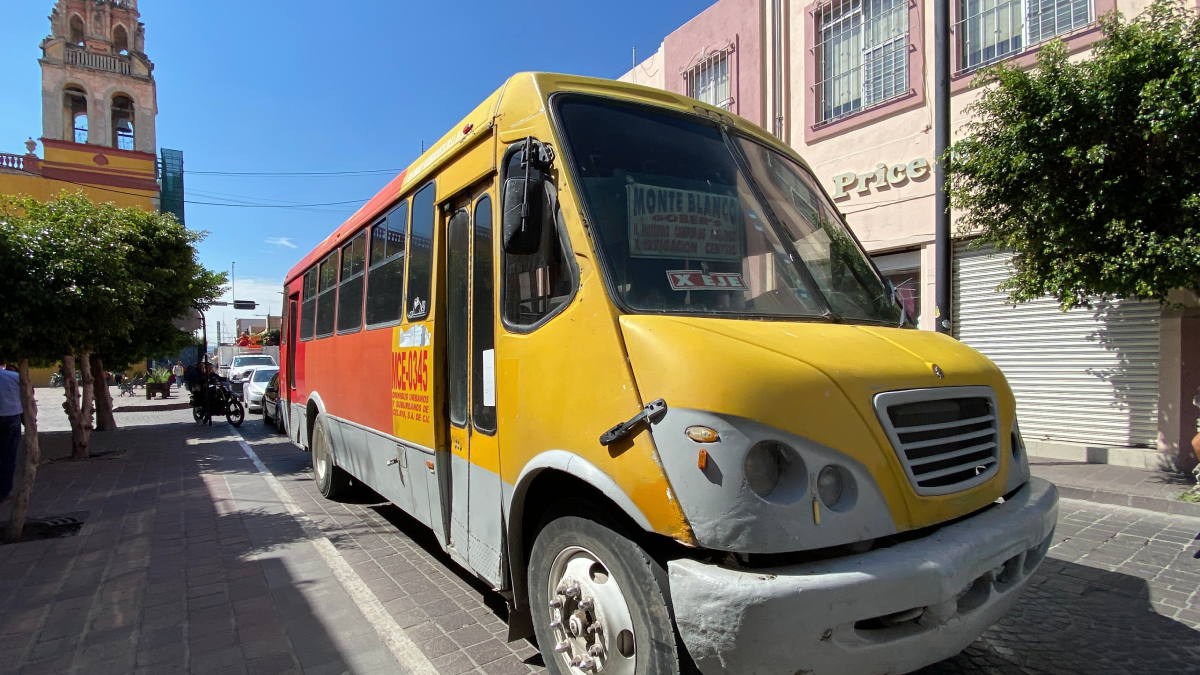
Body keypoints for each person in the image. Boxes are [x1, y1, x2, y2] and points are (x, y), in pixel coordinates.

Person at [0, 353, 22, 505]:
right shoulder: (14, 377)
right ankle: (4, 492)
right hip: (11, 417)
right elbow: (28, 394)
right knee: (8, 455)